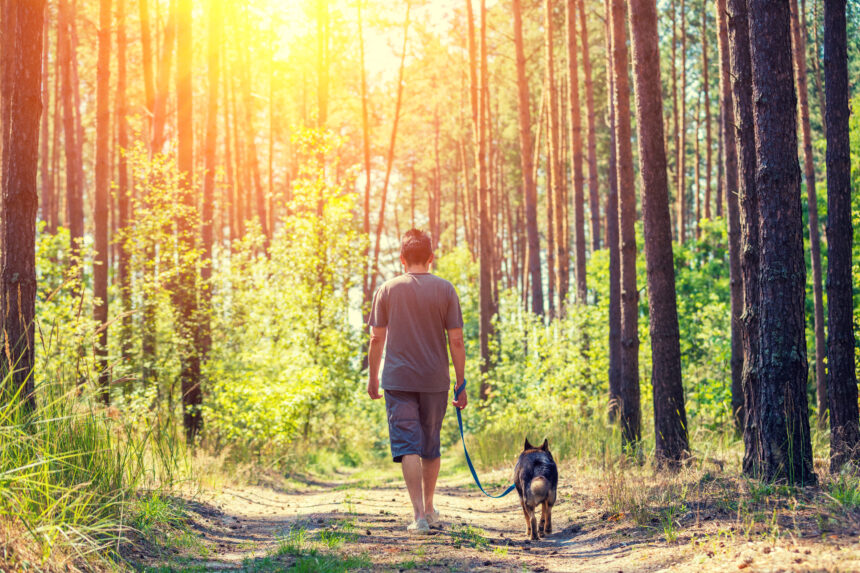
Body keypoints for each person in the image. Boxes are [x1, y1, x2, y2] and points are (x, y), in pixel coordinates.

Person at [367, 229, 467, 535]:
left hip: (397, 380)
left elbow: (376, 339)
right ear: (430, 258)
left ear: (402, 259)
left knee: (407, 445)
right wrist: (460, 384)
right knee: (429, 444)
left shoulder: (387, 289)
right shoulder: (446, 289)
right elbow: (457, 340)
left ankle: (418, 517)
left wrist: (373, 379)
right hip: (435, 380)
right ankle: (428, 507)